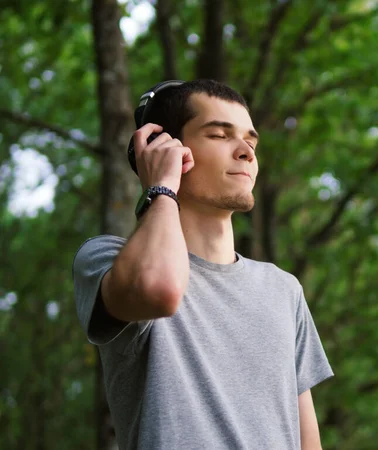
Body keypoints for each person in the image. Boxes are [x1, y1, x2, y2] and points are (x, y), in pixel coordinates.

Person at [72, 79, 333, 450]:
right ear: (166, 148)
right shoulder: (107, 259)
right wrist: (162, 187)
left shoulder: (284, 289)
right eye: (220, 135)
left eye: (251, 140)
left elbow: (308, 442)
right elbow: (158, 290)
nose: (246, 152)